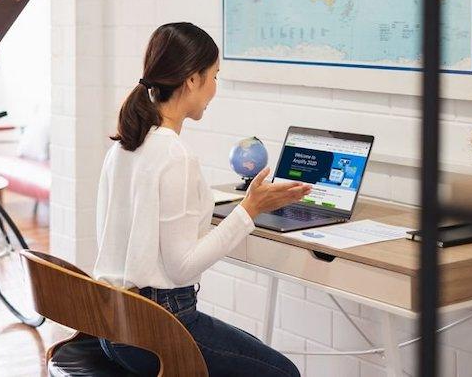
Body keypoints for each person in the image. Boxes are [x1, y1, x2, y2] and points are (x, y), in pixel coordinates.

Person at [93, 22, 311, 376]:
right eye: (214, 76)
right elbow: (183, 267)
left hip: (113, 326)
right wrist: (249, 210)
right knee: (283, 372)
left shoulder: (125, 146)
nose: (214, 89)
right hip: (157, 328)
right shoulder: (174, 154)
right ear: (192, 79)